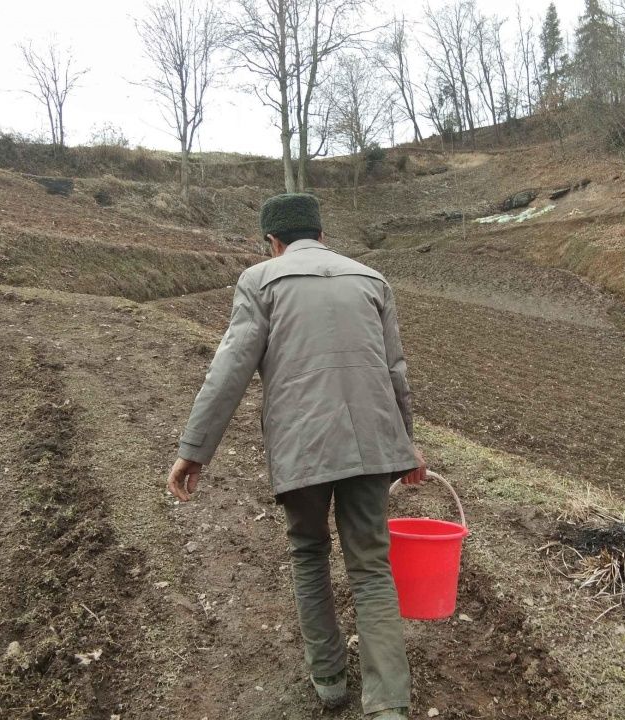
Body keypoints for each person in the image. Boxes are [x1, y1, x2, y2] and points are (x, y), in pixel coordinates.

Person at [167, 192, 425, 720]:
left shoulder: (260, 281)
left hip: (302, 447)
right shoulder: (372, 280)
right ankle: (388, 705)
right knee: (372, 568)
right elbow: (395, 371)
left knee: (309, 552)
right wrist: (407, 443)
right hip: (375, 445)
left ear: (273, 241)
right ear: (322, 234)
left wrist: (194, 451)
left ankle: (329, 678)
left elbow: (229, 372)